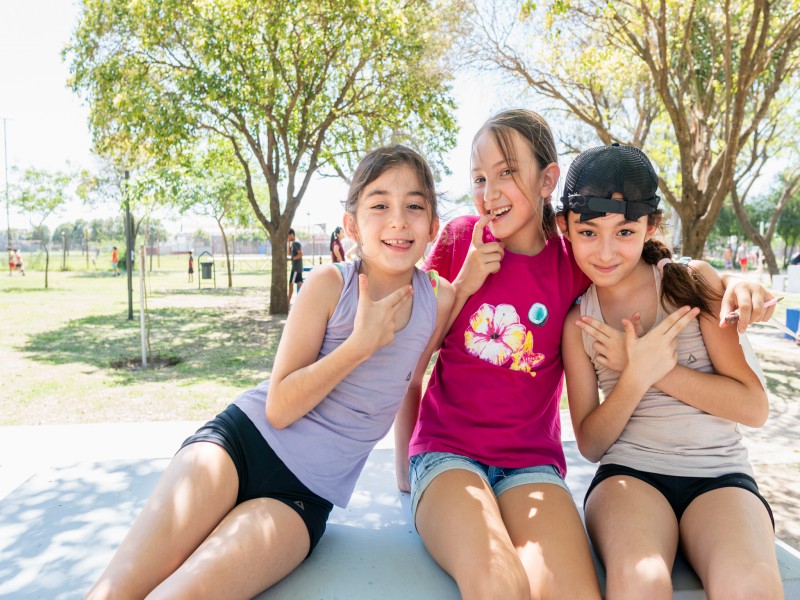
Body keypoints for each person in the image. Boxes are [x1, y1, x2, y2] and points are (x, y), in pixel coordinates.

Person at [405, 110, 777, 600]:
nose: (490, 191)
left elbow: (646, 264)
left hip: (540, 466)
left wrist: (732, 284)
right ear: (569, 224)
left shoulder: (579, 265)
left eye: (507, 172)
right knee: (505, 580)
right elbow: (409, 358)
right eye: (479, 177)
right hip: (467, 455)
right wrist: (460, 287)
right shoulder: (472, 247)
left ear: (548, 181)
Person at [86, 144, 454, 600]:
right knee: (115, 591)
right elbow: (279, 407)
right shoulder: (327, 286)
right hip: (239, 446)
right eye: (380, 204)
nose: (398, 219)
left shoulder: (438, 299)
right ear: (353, 224)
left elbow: (410, 381)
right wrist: (359, 345)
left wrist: (405, 474)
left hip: (301, 501)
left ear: (434, 226)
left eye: (414, 206)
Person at [559, 144, 782, 598]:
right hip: (629, 476)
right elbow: (591, 443)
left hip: (720, 476)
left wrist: (653, 369)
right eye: (587, 231)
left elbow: (753, 408)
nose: (604, 251)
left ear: (651, 226)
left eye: (623, 231)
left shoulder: (692, 283)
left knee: (751, 585)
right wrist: (635, 378)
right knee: (641, 580)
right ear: (565, 227)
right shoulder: (579, 321)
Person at [287, 228, 303, 303]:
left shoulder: (296, 243)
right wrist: (288, 243)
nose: (287, 238)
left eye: (288, 236)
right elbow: (289, 253)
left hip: (296, 268)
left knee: (291, 284)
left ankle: (287, 301)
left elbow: (300, 254)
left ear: (291, 234)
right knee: (299, 282)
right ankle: (309, 294)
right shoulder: (293, 243)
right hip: (296, 267)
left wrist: (292, 259)